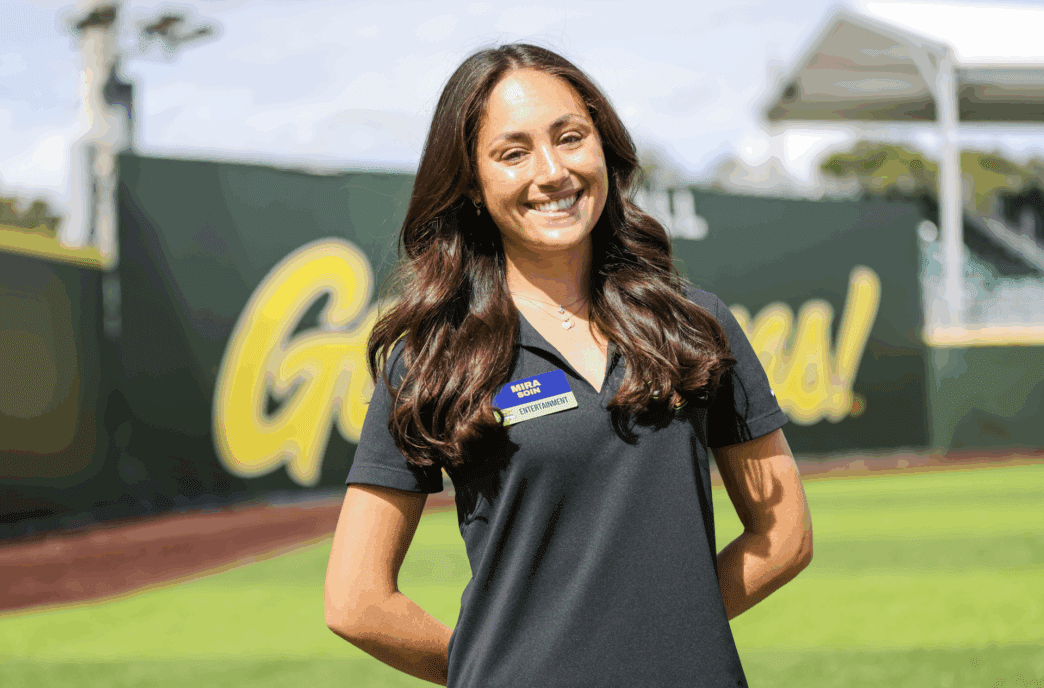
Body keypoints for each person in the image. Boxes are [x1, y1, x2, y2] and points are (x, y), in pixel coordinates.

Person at [324, 43, 813, 687]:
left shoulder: (695, 323)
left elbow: (785, 535)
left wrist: (656, 640)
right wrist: (511, 667)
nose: (551, 171)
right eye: (513, 152)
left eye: (570, 137)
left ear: (604, 148)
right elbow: (356, 601)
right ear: (471, 183)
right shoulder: (433, 355)